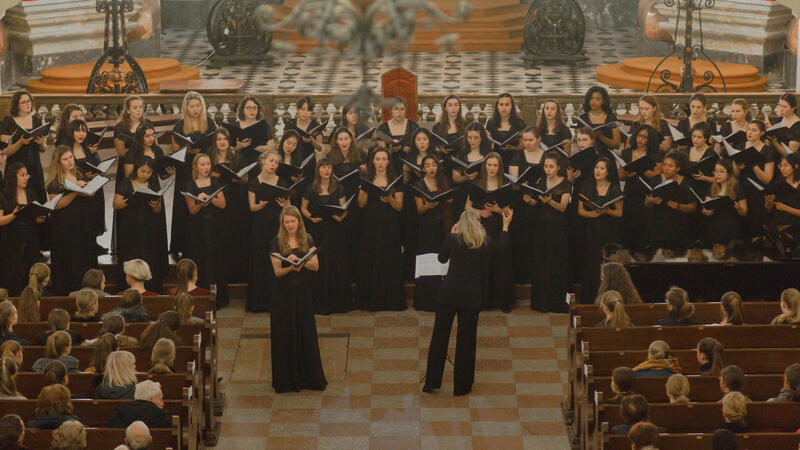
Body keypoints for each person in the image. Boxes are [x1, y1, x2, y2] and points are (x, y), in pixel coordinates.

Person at [423, 209, 513, 396]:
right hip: (471, 297)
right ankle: (462, 387)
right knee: (467, 342)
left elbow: (441, 258)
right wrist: (505, 226)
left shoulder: (454, 240)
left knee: (439, 338)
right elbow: (502, 249)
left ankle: (432, 382)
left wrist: (451, 234)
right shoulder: (483, 243)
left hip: (448, 294)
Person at [269, 206, 327, 393]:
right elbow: (277, 271)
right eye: (286, 222)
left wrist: (302, 262)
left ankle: (308, 378)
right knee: (285, 333)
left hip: (302, 292)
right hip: (282, 294)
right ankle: (286, 380)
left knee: (305, 331)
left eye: (293, 221)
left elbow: (316, 266)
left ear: (298, 222)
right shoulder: (276, 242)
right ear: (282, 223)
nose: (290, 225)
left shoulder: (307, 239)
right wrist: (291, 267)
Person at [355, 147, 405, 311]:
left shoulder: (395, 179)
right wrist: (363, 187)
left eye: (384, 159)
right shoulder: (367, 178)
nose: (381, 162)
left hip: (390, 225)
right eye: (377, 159)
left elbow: (399, 207)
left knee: (389, 259)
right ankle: (370, 301)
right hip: (370, 224)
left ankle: (390, 301)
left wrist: (389, 197)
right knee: (370, 258)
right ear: (373, 161)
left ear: (388, 161)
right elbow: (361, 204)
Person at [300, 157, 351, 314]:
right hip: (317, 230)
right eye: (323, 167)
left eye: (329, 167)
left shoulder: (338, 187)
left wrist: (341, 215)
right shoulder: (310, 187)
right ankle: (318, 302)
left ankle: (336, 303)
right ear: (318, 170)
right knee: (320, 263)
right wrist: (311, 218)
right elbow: (303, 209)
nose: (326, 170)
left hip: (335, 230)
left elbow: (344, 208)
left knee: (335, 263)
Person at [45, 146, 99, 295]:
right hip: (64, 227)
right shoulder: (54, 181)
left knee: (83, 256)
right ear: (58, 162)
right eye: (65, 159)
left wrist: (89, 188)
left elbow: (87, 194)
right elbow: (56, 204)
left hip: (81, 222)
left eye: (70, 157)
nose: (69, 161)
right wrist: (76, 191)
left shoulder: (79, 173)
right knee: (69, 260)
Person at [170, 91, 217, 258]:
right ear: (186, 108)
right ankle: (180, 245)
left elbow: (216, 143)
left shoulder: (210, 123)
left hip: (204, 167)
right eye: (192, 106)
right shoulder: (180, 124)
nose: (195, 109)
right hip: (186, 168)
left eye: (198, 106)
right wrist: (187, 149)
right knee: (184, 204)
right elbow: (174, 149)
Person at [465, 152, 514, 311]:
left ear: (499, 167)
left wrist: (497, 210)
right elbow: (467, 207)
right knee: (482, 262)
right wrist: (481, 213)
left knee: (501, 262)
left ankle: (503, 301)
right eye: (489, 165)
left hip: (500, 225)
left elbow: (509, 210)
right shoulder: (477, 182)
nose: (492, 168)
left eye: (495, 165)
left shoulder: (506, 183)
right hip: (481, 225)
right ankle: (483, 300)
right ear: (485, 166)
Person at [114, 158, 169, 294]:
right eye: (142, 171)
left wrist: (156, 206)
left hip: (148, 229)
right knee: (131, 255)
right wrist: (132, 199)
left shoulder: (153, 184)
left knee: (149, 255)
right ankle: (128, 287)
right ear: (136, 169)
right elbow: (116, 204)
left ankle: (150, 288)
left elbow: (158, 210)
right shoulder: (125, 184)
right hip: (130, 227)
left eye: (149, 172)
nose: (145, 175)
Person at [247, 150, 289, 313]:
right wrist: (262, 204)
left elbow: (289, 205)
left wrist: (283, 203)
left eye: (276, 163)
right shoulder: (253, 182)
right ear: (263, 161)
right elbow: (252, 207)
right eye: (271, 161)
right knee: (260, 261)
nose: (274, 165)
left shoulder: (282, 181)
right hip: (259, 225)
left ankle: (277, 301)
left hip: (277, 225)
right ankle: (259, 302)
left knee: (277, 258)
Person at [530, 151, 571, 313]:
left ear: (558, 167)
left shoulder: (566, 183)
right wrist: (529, 201)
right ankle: (542, 303)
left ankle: (557, 303)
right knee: (542, 262)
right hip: (542, 227)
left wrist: (549, 201)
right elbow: (536, 202)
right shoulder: (541, 181)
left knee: (557, 263)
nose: (548, 169)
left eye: (551, 167)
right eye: (546, 166)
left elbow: (562, 207)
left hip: (559, 228)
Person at [411, 155, 453, 312]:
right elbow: (419, 209)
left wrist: (444, 199)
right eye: (427, 165)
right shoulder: (419, 184)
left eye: (434, 164)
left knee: (442, 259)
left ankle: (443, 298)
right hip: (427, 225)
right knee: (427, 258)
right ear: (423, 169)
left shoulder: (444, 181)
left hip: (443, 224)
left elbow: (450, 201)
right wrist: (429, 205)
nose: (431, 168)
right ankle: (425, 300)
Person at [578, 157, 623, 299]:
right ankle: (590, 297)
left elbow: (619, 213)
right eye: (596, 167)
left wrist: (607, 211)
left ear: (608, 172)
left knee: (606, 264)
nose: (598, 171)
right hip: (591, 229)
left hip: (608, 231)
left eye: (602, 168)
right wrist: (591, 214)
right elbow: (580, 210)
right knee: (591, 263)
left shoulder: (614, 188)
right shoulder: (587, 186)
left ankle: (608, 298)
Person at [0, 163, 45, 296]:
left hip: (30, 238)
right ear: (14, 177)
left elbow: (35, 214)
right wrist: (14, 214)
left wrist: (40, 218)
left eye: (27, 175)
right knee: (13, 273)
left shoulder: (31, 194)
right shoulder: (4, 195)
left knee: (29, 270)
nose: (26, 178)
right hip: (11, 240)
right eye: (22, 175)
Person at [508, 126, 544, 283]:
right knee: (521, 240)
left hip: (540, 202)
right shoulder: (517, 156)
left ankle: (536, 276)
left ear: (539, 139)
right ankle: (521, 277)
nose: (527, 143)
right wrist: (523, 185)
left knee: (538, 240)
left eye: (531, 140)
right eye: (525, 140)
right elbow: (513, 183)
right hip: (521, 202)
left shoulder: (546, 156)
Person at [620, 125, 662, 250]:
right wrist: (630, 172)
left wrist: (639, 170)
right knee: (629, 231)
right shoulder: (627, 152)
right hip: (630, 195)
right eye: (639, 135)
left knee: (645, 231)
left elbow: (656, 174)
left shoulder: (655, 154)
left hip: (646, 196)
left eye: (645, 137)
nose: (640, 139)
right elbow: (621, 176)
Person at [1, 91, 47, 203]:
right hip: (15, 166)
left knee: (37, 197)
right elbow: (6, 151)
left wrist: (41, 142)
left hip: (34, 165)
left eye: (29, 101)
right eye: (24, 102)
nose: (28, 104)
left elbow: (44, 149)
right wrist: (20, 142)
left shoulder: (36, 120)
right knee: (14, 199)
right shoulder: (9, 121)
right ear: (17, 105)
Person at [580, 86, 620, 154]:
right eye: (591, 98)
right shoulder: (582, 118)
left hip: (607, 157)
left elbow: (616, 145)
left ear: (603, 101)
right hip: (588, 156)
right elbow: (580, 144)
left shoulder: (611, 118)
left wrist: (601, 137)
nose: (594, 101)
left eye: (598, 99)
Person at [485, 92, 526, 157]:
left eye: (507, 105)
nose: (504, 108)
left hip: (515, 158)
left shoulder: (519, 123)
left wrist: (513, 148)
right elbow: (488, 146)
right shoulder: (491, 123)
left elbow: (524, 146)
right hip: (496, 159)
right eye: (501, 104)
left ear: (512, 106)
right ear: (497, 106)